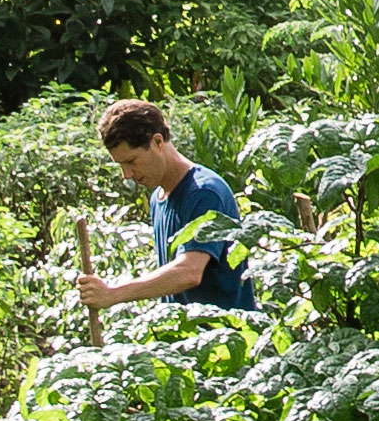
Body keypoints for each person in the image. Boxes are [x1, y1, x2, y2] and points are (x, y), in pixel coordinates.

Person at [71, 96, 252, 319]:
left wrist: (113, 294)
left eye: (131, 161)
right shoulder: (158, 198)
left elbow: (189, 272)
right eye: (121, 165)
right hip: (185, 342)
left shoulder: (204, 193)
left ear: (157, 142)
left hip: (228, 341)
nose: (126, 175)